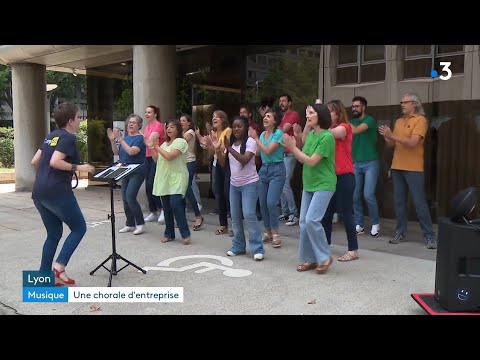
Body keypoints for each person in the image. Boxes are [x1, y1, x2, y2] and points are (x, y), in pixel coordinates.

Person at [31, 102, 94, 286]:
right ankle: (59, 267)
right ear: (70, 121)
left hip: (39, 191)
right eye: (78, 117)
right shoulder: (68, 137)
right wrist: (78, 167)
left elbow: (35, 161)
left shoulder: (50, 136)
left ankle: (44, 277)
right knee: (79, 227)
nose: (80, 120)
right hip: (57, 191)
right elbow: (55, 161)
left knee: (53, 233)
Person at [379, 91, 437, 249]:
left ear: (414, 104)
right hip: (397, 167)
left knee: (419, 203)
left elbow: (412, 143)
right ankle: (400, 232)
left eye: (405, 102)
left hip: (413, 168)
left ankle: (429, 236)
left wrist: (393, 135)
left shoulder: (421, 120)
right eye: (401, 103)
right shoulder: (398, 122)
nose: (402, 105)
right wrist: (388, 138)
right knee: (399, 202)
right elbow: (393, 145)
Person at [282, 103, 336, 274]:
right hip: (310, 184)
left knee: (312, 220)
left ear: (320, 116)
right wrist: (297, 144)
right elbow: (301, 159)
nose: (307, 116)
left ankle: (324, 256)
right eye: (307, 113)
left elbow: (311, 160)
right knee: (304, 222)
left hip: (324, 184)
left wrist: (292, 148)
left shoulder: (327, 137)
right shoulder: (312, 135)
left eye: (311, 113)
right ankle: (310, 258)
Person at [214, 115, 264, 260]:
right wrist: (218, 150)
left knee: (248, 214)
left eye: (239, 126)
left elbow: (244, 160)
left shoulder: (251, 142)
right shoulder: (231, 144)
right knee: (235, 217)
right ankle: (238, 246)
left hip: (250, 184)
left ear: (245, 128)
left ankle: (257, 248)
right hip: (234, 184)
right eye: (234, 126)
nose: (236, 129)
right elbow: (224, 165)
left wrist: (228, 148)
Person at [321, 100, 358, 261]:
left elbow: (335, 133)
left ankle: (353, 249)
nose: (327, 114)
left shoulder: (345, 127)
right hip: (330, 177)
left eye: (330, 111)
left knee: (346, 213)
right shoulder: (326, 132)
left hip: (345, 176)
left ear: (338, 114)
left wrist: (319, 125)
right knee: (326, 214)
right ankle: (325, 246)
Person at [147, 119, 191, 245]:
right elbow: (157, 159)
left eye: (172, 127)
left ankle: (185, 233)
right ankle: (169, 234)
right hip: (165, 178)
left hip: (177, 177)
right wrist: (152, 147)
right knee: (166, 207)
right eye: (167, 127)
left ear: (178, 129)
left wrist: (156, 146)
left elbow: (170, 156)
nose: (169, 129)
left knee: (176, 204)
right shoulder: (164, 144)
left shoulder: (181, 142)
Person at [249, 108, 285, 248]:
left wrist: (255, 138)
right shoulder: (263, 134)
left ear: (275, 120)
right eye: (264, 116)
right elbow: (258, 153)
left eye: (268, 116)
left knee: (271, 202)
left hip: (277, 169)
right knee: (262, 202)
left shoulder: (278, 133)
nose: (265, 118)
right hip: (264, 169)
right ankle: (268, 231)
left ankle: (276, 233)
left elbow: (269, 150)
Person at [107, 114, 146, 235]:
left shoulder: (140, 138)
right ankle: (130, 223)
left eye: (133, 122)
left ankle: (140, 223)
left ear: (139, 125)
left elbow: (131, 151)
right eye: (129, 122)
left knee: (130, 197)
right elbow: (116, 152)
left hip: (137, 171)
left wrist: (120, 139)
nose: (130, 124)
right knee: (124, 198)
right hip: (125, 170)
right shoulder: (126, 138)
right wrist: (113, 140)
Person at [349, 96, 380, 237]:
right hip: (356, 163)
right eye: (353, 106)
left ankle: (375, 224)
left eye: (357, 106)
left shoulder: (369, 120)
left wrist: (343, 122)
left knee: (368, 195)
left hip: (370, 163)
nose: (354, 108)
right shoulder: (351, 122)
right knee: (355, 195)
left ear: (363, 107)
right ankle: (359, 224)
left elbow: (356, 130)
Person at [278, 93, 301, 226]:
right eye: (280, 101)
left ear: (290, 103)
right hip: (281, 153)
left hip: (290, 152)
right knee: (281, 181)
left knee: (285, 181)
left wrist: (275, 128)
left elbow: (282, 130)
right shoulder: (280, 116)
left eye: (284, 101)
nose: (281, 103)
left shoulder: (293, 115)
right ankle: (285, 212)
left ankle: (294, 213)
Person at [180, 113, 204, 231]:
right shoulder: (179, 133)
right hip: (181, 163)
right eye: (180, 121)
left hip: (190, 162)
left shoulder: (190, 132)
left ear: (189, 122)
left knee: (187, 188)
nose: (181, 122)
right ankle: (183, 216)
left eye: (184, 121)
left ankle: (198, 216)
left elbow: (181, 143)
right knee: (182, 190)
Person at [143, 105, 166, 224]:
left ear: (155, 114)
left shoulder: (159, 126)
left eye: (149, 112)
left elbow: (150, 141)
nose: (147, 114)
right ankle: (153, 212)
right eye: (146, 112)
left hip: (157, 158)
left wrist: (146, 140)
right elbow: (146, 141)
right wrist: (146, 140)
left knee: (154, 184)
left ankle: (162, 209)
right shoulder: (147, 127)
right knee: (148, 185)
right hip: (147, 157)